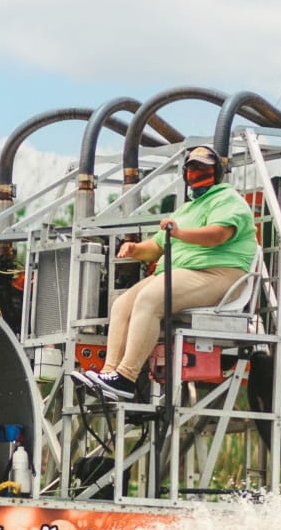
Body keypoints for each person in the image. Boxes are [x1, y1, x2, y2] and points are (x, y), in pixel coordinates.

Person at [74, 143, 256, 403]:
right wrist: (135, 249)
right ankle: (109, 374)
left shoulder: (227, 198)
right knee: (122, 304)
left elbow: (218, 234)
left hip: (220, 275)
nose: (196, 173)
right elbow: (157, 246)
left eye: (202, 168)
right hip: (183, 273)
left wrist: (179, 232)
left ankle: (126, 376)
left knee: (150, 298)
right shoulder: (186, 209)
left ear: (216, 173)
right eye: (192, 168)